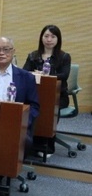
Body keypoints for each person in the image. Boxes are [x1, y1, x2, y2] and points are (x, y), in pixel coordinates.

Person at [23, 25, 71, 154]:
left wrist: (45, 75)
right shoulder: (33, 55)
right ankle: (30, 143)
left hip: (58, 96)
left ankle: (47, 145)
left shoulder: (64, 57)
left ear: (58, 39)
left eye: (53, 36)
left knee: (49, 109)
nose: (49, 39)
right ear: (41, 38)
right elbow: (24, 73)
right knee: (29, 108)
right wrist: (35, 74)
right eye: (46, 36)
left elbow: (64, 75)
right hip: (35, 94)